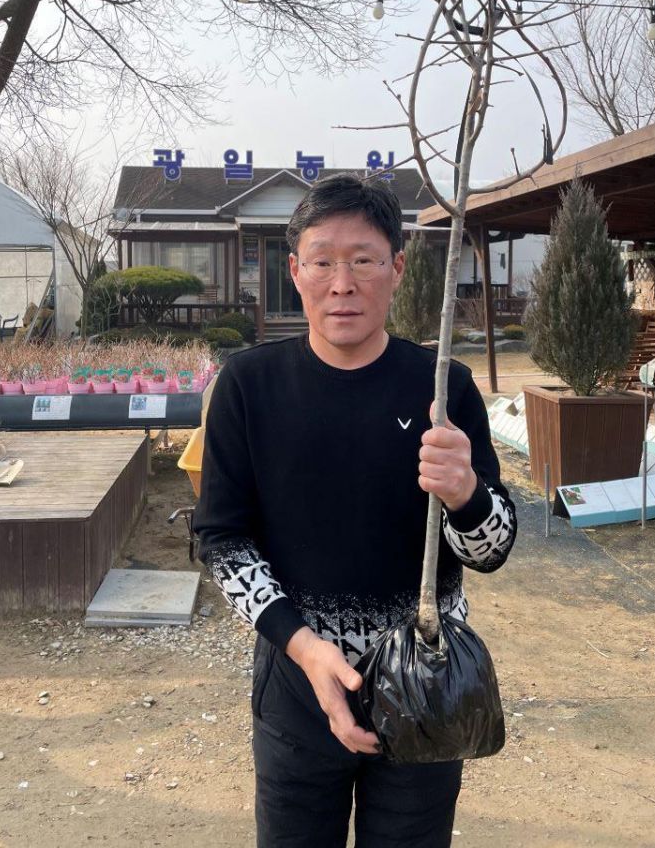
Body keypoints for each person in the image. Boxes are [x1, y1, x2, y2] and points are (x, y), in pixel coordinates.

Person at [195, 174, 517, 848]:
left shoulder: (444, 388)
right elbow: (223, 540)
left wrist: (466, 494)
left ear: (396, 268)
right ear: (295, 272)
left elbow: (492, 550)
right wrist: (305, 648)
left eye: (363, 260)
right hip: (297, 679)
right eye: (323, 262)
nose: (342, 284)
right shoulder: (248, 387)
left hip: (426, 681)